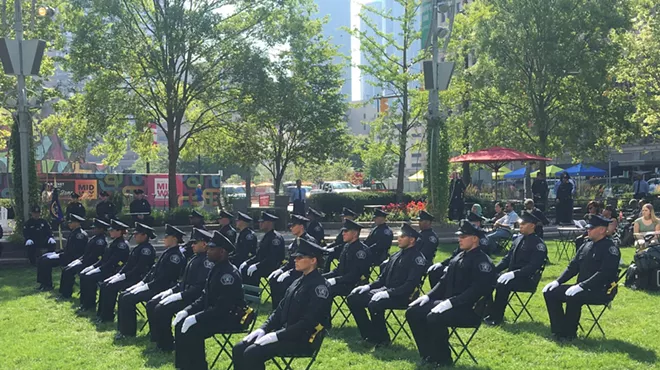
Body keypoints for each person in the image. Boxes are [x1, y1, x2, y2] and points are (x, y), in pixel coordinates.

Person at [406, 220, 496, 367]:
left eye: (464, 236)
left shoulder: (482, 262)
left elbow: (475, 292)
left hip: (470, 310)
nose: (459, 239)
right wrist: (428, 296)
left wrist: (450, 302)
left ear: (475, 239)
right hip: (452, 304)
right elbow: (443, 282)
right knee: (413, 312)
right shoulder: (459, 257)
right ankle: (428, 354)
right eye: (459, 236)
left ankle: (443, 359)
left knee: (434, 317)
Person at [232, 238, 331, 370]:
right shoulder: (298, 281)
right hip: (286, 333)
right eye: (295, 257)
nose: (295, 260)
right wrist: (264, 329)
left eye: (300, 257)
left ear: (313, 260)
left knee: (252, 353)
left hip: (302, 339)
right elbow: (279, 310)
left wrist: (277, 335)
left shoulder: (320, 287)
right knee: (239, 348)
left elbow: (308, 322)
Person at [173, 231, 249, 370]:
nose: (208, 250)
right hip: (216, 314)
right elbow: (204, 297)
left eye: (212, 249)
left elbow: (223, 307)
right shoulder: (216, 269)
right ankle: (183, 366)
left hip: (230, 317)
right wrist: (186, 311)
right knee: (181, 324)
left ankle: (198, 367)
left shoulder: (227, 275)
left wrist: (196, 318)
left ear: (222, 252)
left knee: (194, 329)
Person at [542, 214, 620, 341]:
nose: (587, 230)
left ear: (601, 230)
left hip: (600, 290)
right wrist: (557, 281)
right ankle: (558, 330)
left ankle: (569, 334)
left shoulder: (610, 248)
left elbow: (605, 273)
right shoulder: (586, 245)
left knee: (573, 296)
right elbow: (572, 267)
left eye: (591, 228)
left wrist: (582, 286)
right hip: (582, 287)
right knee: (550, 292)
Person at [346, 223, 426, 346]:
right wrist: (368, 287)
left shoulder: (417, 258)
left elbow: (410, 285)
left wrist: (388, 293)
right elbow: (382, 279)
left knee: (375, 304)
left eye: (402, 237)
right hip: (386, 290)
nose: (399, 239)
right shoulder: (395, 256)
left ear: (412, 240)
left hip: (404, 295)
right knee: (353, 298)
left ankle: (382, 339)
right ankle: (368, 334)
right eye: (399, 236)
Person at [146, 228, 214, 352]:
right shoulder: (196, 258)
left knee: (161, 309)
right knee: (154, 304)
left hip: (194, 299)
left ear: (204, 244)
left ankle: (166, 345)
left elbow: (199, 288)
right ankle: (159, 340)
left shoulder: (206, 261)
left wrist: (180, 296)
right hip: (187, 295)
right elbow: (184, 282)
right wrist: (171, 291)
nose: (192, 245)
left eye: (195, 243)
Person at [115, 224, 186, 339]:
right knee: (124, 295)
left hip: (162, 288)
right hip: (154, 285)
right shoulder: (168, 252)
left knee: (128, 299)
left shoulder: (175, 256)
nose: (164, 239)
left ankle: (136, 333)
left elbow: (165, 278)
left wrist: (147, 286)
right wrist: (142, 283)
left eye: (166, 237)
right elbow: (153, 270)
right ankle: (125, 330)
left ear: (174, 239)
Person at [483, 212, 548, 326]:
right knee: (487, 279)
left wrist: (514, 274)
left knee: (502, 284)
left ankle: (497, 317)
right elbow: (507, 259)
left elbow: (533, 267)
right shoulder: (518, 239)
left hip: (526, 279)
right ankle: (487, 311)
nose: (520, 226)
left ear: (532, 226)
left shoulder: (538, 245)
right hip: (512, 276)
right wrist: (494, 270)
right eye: (520, 224)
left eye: (523, 224)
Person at [96, 222, 156, 323]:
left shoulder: (146, 250)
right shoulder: (139, 247)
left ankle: (107, 316)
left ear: (144, 236)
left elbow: (139, 268)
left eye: (137, 234)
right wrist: (119, 274)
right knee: (106, 284)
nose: (135, 236)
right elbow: (128, 264)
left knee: (110, 287)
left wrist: (124, 276)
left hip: (138, 279)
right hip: (130, 276)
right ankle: (102, 314)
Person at [78, 219, 130, 312]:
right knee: (84, 275)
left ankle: (90, 304)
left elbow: (113, 261)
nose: (110, 232)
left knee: (90, 278)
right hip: (106, 268)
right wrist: (93, 267)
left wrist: (99, 269)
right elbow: (103, 259)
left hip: (112, 271)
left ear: (119, 232)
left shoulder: (121, 245)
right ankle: (85, 303)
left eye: (112, 230)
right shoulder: (113, 242)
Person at [268, 214, 317, 310]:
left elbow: (306, 263)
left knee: (284, 282)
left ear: (301, 226)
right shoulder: (296, 241)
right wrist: (281, 270)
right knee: (274, 279)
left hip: (304, 273)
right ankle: (277, 309)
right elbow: (290, 262)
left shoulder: (309, 241)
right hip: (294, 270)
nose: (291, 228)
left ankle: (286, 309)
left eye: (293, 226)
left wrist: (289, 273)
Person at [36, 213, 88, 291]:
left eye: (71, 222)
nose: (69, 224)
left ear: (76, 223)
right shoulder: (74, 232)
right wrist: (57, 252)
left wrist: (60, 255)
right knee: (42, 258)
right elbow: (68, 248)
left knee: (46, 261)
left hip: (72, 258)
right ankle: (43, 283)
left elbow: (75, 251)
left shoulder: (80, 235)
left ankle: (48, 285)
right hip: (66, 255)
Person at [59, 219, 109, 298]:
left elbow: (95, 256)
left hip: (91, 263)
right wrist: (79, 260)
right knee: (66, 269)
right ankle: (64, 292)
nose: (94, 230)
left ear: (101, 229)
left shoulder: (100, 241)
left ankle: (67, 293)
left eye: (96, 228)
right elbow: (86, 253)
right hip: (84, 260)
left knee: (69, 271)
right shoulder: (95, 238)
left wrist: (83, 262)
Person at [323, 219, 370, 297]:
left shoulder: (361, 251)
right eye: (343, 231)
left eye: (346, 231)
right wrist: (323, 276)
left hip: (355, 284)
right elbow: (339, 269)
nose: (343, 234)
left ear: (355, 233)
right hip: (344, 282)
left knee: (326, 289)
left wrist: (335, 280)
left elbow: (355, 275)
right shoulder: (347, 246)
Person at [239, 212, 285, 286]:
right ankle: (248, 295)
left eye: (262, 222)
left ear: (269, 223)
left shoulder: (275, 238)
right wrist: (247, 262)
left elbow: (272, 258)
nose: (260, 224)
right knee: (245, 269)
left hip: (271, 266)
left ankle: (253, 294)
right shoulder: (266, 236)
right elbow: (259, 255)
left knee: (250, 273)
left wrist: (257, 266)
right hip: (263, 264)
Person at [324, 207, 358, 272]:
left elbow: (344, 244)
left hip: (344, 250)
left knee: (330, 255)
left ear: (350, 217)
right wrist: (327, 247)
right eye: (342, 217)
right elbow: (337, 242)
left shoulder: (352, 228)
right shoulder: (344, 228)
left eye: (344, 216)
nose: (342, 218)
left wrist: (333, 249)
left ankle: (325, 271)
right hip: (340, 249)